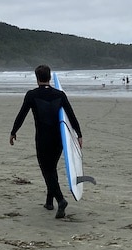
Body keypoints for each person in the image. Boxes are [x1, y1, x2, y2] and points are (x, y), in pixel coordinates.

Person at [9, 64, 83, 219]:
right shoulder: (60, 94)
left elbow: (22, 114)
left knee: (46, 170)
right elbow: (71, 115)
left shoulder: (31, 95)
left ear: (37, 78)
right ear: (49, 77)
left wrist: (14, 131)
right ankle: (49, 202)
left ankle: (61, 200)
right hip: (58, 139)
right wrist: (79, 134)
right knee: (52, 168)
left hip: (43, 138)